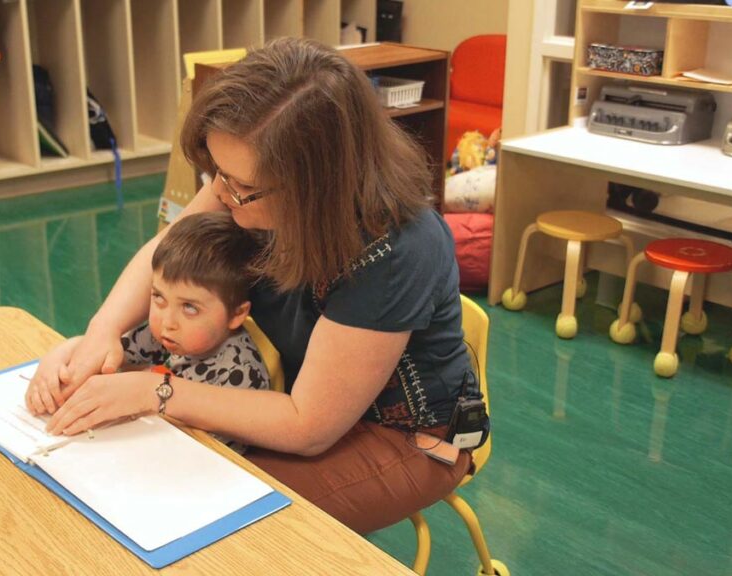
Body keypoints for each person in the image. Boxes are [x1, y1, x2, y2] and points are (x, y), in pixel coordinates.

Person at [27, 37, 485, 535]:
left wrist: (154, 391)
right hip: (287, 390)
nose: (220, 194)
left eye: (237, 187)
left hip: (405, 437)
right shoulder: (247, 181)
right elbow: (168, 254)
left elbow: (307, 424)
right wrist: (100, 335)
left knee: (220, 526)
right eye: (217, 175)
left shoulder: (397, 249)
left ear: (316, 186)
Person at [26, 212, 270, 451]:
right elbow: (108, 351)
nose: (167, 321)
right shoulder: (165, 336)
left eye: (189, 308)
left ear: (237, 314)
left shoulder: (241, 374)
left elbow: (213, 453)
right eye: (158, 297)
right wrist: (61, 355)